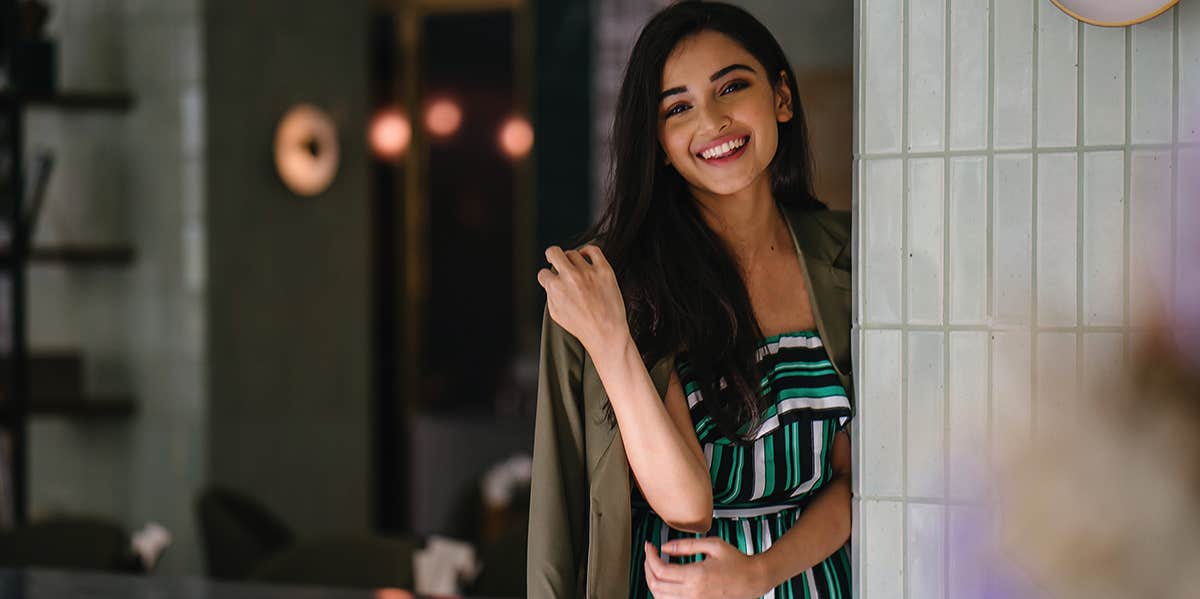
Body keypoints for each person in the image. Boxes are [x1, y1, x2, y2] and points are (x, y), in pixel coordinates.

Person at [528, 2, 854, 598]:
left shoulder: (853, 255)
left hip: (816, 583)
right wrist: (610, 338)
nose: (713, 121)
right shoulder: (610, 284)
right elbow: (687, 505)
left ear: (781, 98)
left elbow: (857, 481)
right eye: (678, 108)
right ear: (658, 140)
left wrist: (761, 573)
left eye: (731, 86)